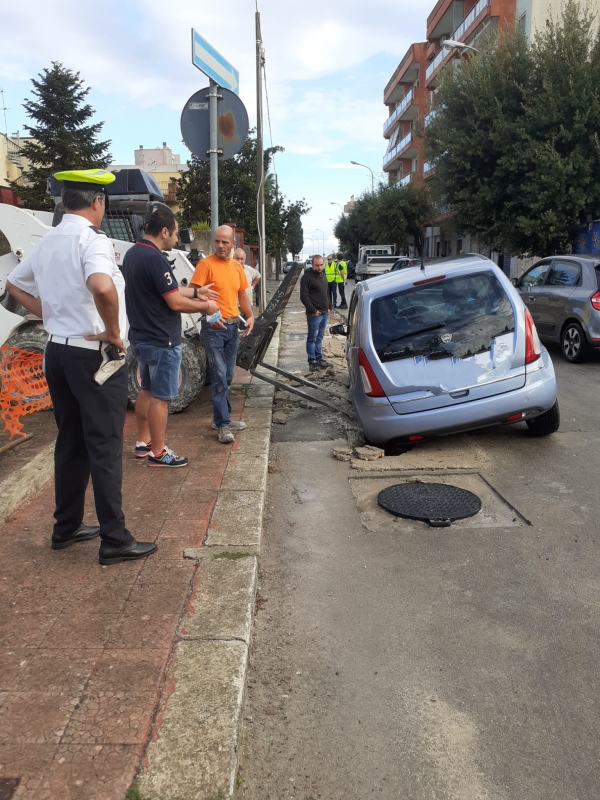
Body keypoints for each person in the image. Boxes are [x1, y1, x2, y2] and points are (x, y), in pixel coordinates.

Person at [6, 168, 156, 566]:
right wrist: (112, 332)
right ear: (97, 202)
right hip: (93, 356)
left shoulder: (49, 240)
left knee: (70, 441)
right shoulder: (93, 241)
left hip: (56, 352)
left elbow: (13, 284)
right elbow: (103, 286)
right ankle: (115, 540)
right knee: (104, 445)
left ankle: (66, 527)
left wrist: (50, 314)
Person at [122, 204, 219, 467]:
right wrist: (206, 307)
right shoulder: (155, 258)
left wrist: (198, 293)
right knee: (161, 398)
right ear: (164, 231)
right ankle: (159, 452)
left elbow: (168, 290)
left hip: (141, 337)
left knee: (146, 390)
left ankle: (143, 443)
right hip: (162, 339)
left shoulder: (134, 253)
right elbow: (175, 302)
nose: (177, 239)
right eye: (175, 234)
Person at [191, 226, 255, 443]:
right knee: (219, 376)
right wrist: (208, 312)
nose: (220, 246)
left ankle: (220, 419)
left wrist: (250, 316)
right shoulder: (205, 265)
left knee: (227, 376)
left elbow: (242, 295)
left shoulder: (237, 267)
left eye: (224, 242)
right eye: (217, 241)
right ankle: (224, 424)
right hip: (213, 329)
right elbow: (193, 295)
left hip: (232, 327)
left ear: (233, 244)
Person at [299, 254, 330, 371]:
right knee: (312, 338)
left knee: (319, 338)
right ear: (312, 265)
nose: (319, 267)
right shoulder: (306, 278)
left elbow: (327, 292)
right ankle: (312, 361)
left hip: (324, 313)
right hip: (314, 314)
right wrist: (313, 310)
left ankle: (319, 358)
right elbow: (304, 296)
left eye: (321, 265)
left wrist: (329, 306)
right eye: (317, 265)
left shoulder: (323, 276)